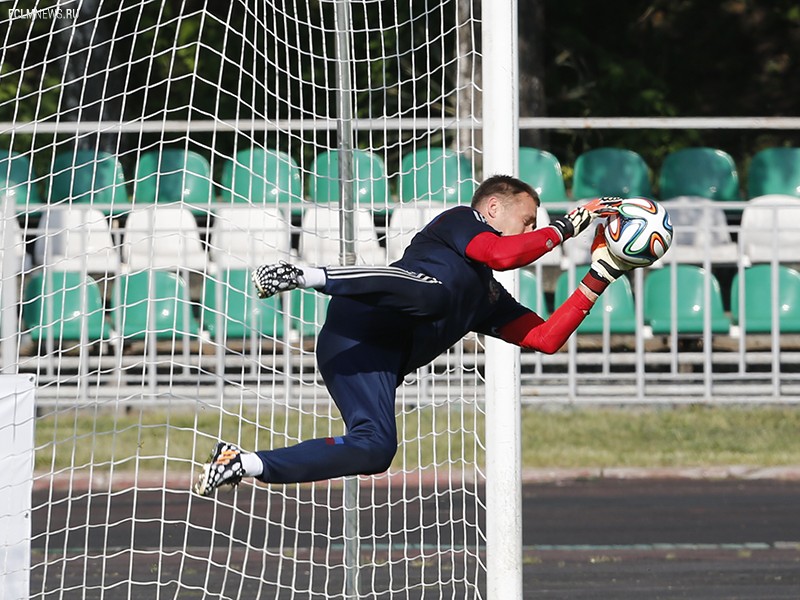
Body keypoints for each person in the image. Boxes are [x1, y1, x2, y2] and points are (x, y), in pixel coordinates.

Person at [194, 174, 636, 496]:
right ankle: (304, 274)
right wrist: (569, 224)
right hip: (359, 318)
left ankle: (243, 463)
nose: (532, 230)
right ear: (494, 209)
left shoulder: (486, 299)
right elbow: (503, 254)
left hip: (364, 362)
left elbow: (544, 338)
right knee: (436, 296)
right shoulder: (460, 221)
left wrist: (601, 274)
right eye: (527, 220)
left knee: (376, 449)